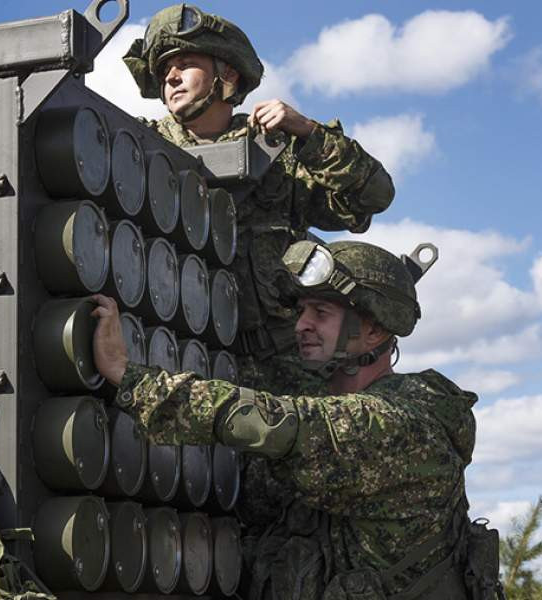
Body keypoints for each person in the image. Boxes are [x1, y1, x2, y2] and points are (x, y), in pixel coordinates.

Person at [91, 240, 491, 599]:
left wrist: (129, 376)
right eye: (301, 311)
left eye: (321, 312)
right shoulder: (330, 400)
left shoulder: (399, 425)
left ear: (373, 330)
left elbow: (278, 424)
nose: (301, 325)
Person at [124, 4, 396, 379]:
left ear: (227, 74)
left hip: (281, 368)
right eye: (164, 70)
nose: (171, 78)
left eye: (186, 64)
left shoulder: (277, 154)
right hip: (176, 360)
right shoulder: (137, 147)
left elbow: (373, 197)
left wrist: (309, 133)